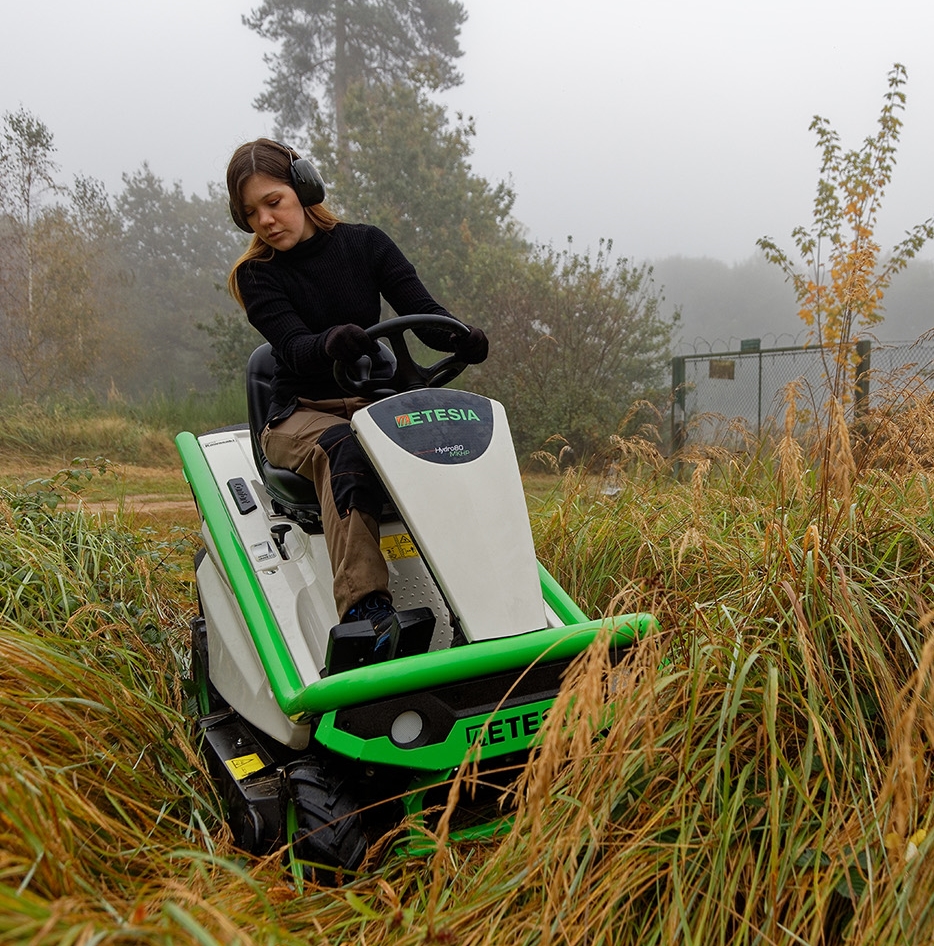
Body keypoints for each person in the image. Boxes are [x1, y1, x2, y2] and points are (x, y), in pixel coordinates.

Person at [225, 138, 487, 659]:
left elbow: (424, 313)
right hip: (299, 415)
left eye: (273, 202)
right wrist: (329, 343)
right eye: (251, 213)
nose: (266, 221)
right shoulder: (256, 277)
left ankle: (480, 590)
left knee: (448, 440)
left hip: (373, 401)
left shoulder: (367, 245)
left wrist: (463, 337)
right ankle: (367, 614)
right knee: (346, 446)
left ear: (304, 189)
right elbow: (296, 349)